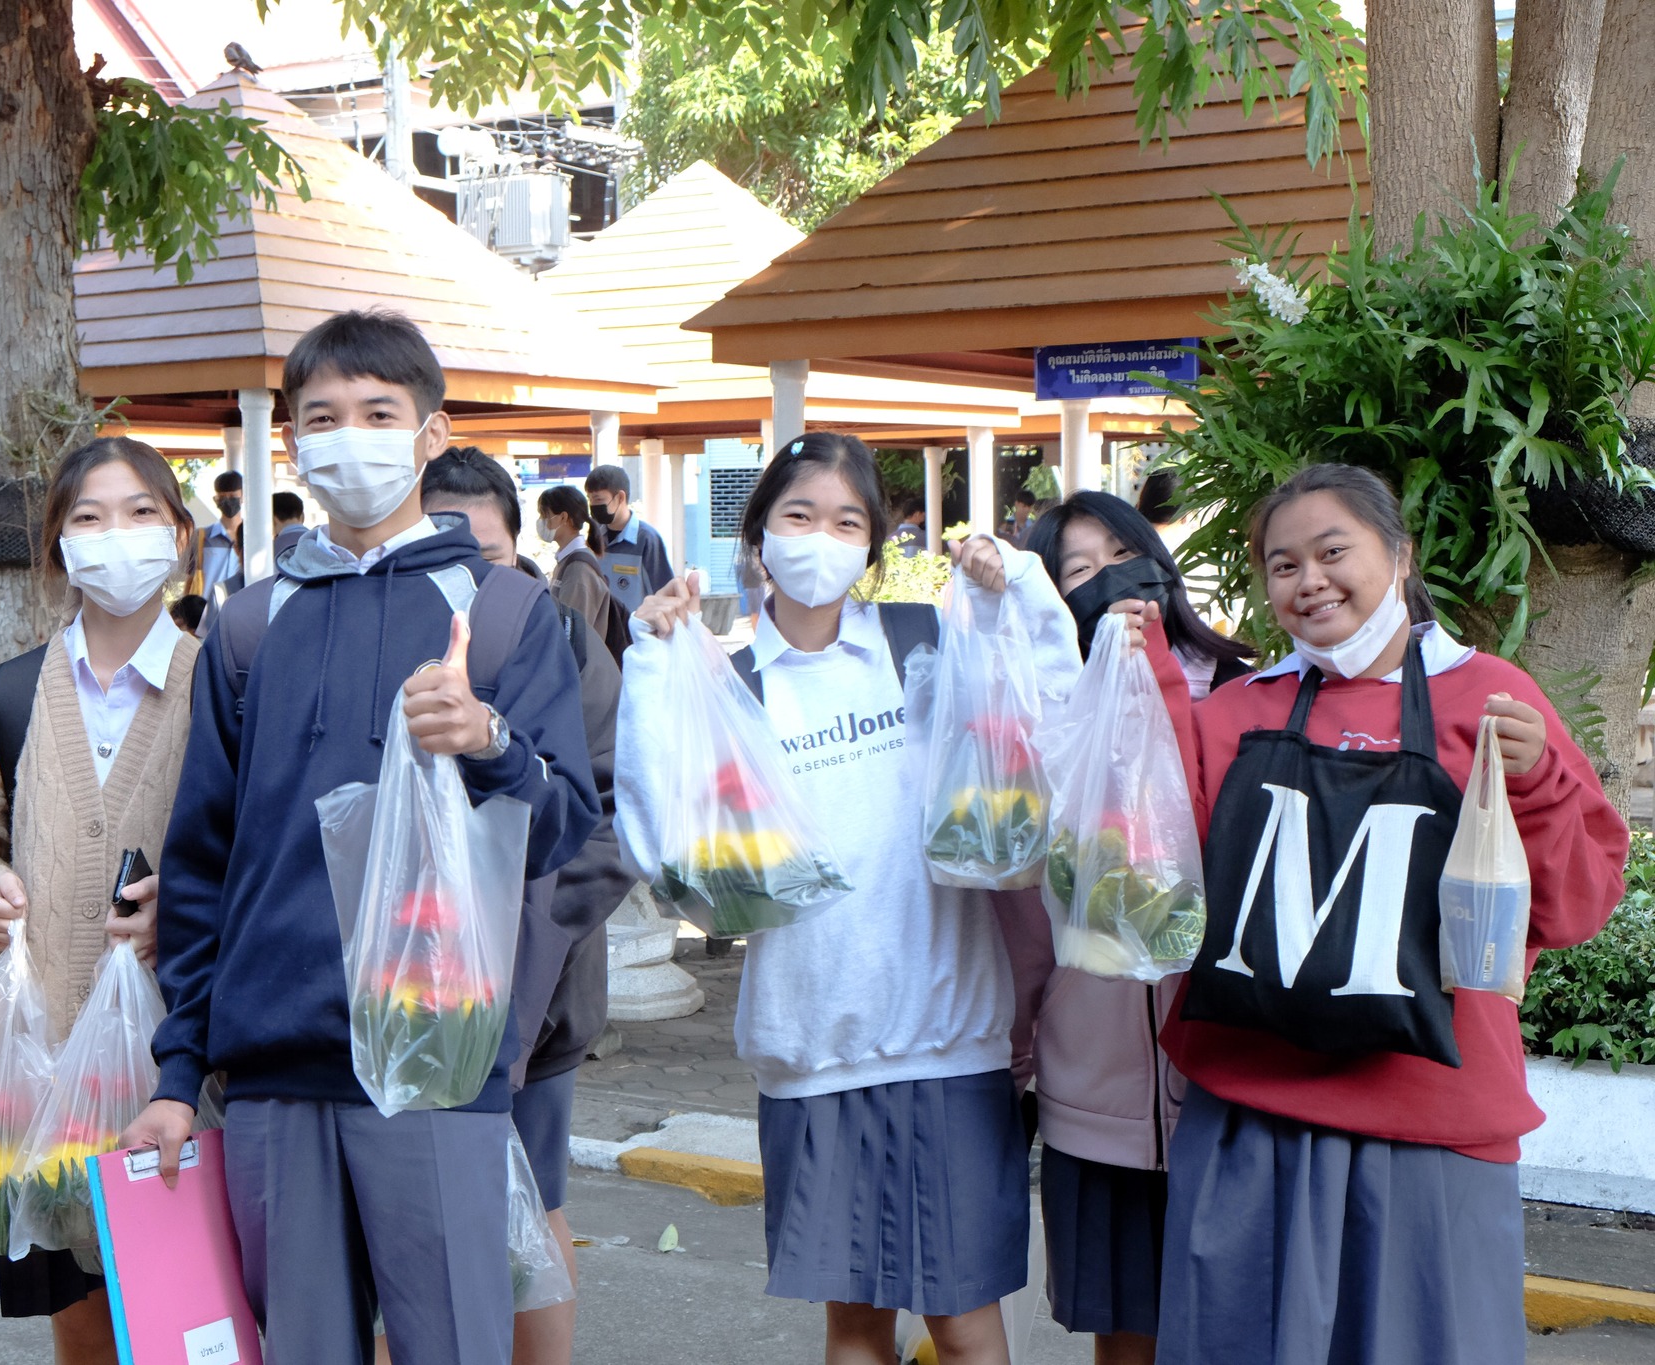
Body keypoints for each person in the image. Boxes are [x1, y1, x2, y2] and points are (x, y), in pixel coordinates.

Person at [120, 309, 601, 1365]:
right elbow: (203, 870)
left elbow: (570, 828)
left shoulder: (509, 612)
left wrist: (490, 740)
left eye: (380, 413)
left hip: (434, 1066)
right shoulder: (248, 624)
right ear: (290, 442)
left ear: (431, 435)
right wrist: (175, 1075)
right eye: (323, 416)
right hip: (274, 1072)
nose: (352, 436)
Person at [1139, 464, 1627, 1365]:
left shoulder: (1490, 699)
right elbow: (1165, 878)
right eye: (1282, 565)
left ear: (1399, 556)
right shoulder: (1235, 711)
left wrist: (1542, 782)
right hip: (1250, 1113)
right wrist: (1144, 690)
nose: (1308, 580)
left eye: (1333, 552)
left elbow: (1573, 907)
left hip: (1432, 1123)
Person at [617, 433, 1080, 1365]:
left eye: (846, 520)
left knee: (963, 1319)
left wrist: (1016, 590)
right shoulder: (727, 685)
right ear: (757, 538)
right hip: (813, 1046)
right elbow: (659, 842)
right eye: (798, 515)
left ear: (872, 545)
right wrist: (655, 663)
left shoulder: (926, 644)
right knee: (856, 1323)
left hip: (950, 1043)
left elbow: (1054, 729)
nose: (820, 538)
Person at [0, 436, 200, 1365]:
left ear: (181, 535)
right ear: (57, 547)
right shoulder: (4, 695)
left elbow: (273, 861)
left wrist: (195, 908)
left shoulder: (230, 688)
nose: (115, 536)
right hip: (43, 1083)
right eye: (88, 517)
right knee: (80, 1324)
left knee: (195, 1310)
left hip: (191, 1081)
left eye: (140, 513)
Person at [1016, 490, 1253, 1365]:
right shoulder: (1043, 725)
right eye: (1076, 570)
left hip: (1229, 1086)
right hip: (1095, 1094)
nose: (1107, 578)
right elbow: (1020, 923)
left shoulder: (1247, 695)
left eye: (1121, 552)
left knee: (1231, 1326)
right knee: (1127, 1339)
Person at [422, 447, 635, 1365]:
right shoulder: (380, 641)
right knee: (409, 1232)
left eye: (489, 558)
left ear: (519, 554)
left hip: (537, 1006)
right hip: (399, 1001)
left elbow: (611, 818)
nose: (467, 580)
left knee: (533, 1207)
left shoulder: (565, 642)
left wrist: (518, 965)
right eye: (440, 555)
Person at [534, 484, 617, 649]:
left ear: (563, 518)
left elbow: (572, 636)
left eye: (545, 515)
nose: (541, 522)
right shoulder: (567, 561)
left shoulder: (579, 569)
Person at [583, 463, 674, 611]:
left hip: (635, 631)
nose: (592, 505)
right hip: (601, 632)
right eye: (590, 499)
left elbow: (664, 594)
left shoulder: (646, 539)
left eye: (598, 500)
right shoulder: (595, 537)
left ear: (620, 497)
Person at [193, 469, 244, 600]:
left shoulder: (254, 538)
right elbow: (190, 577)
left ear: (243, 496)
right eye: (222, 498)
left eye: (232, 497)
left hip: (243, 611)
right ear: (216, 500)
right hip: (207, 612)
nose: (227, 502)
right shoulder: (201, 538)